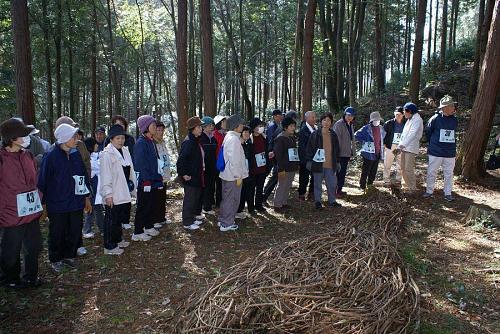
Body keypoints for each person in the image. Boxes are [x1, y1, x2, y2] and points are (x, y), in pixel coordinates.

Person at [38, 123, 92, 272]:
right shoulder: (51, 156)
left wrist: (86, 197)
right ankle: (56, 258)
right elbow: (43, 181)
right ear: (64, 138)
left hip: (75, 201)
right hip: (57, 203)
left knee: (75, 230)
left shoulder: (75, 154)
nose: (77, 139)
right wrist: (43, 205)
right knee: (57, 232)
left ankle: (69, 255)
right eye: (73, 137)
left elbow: (83, 176)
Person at [0, 118, 43, 288]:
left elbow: (35, 180)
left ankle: (31, 277)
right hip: (11, 214)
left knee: (34, 247)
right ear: (12, 138)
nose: (27, 138)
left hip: (31, 211)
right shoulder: (2, 160)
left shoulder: (28, 155)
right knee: (11, 249)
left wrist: (39, 196)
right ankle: (10, 279)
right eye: (23, 135)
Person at [55, 116, 91, 256]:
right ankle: (63, 249)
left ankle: (77, 243)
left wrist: (86, 180)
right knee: (64, 223)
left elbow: (86, 162)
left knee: (77, 220)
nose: (75, 135)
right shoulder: (55, 150)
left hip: (79, 188)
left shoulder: (80, 145)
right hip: (63, 195)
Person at [99, 124, 137, 255]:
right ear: (111, 139)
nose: (121, 141)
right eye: (118, 138)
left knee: (119, 217)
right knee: (111, 219)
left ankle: (118, 239)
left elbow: (130, 169)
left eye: (122, 138)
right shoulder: (106, 154)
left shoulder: (125, 151)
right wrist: (108, 194)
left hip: (124, 189)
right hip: (113, 192)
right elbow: (105, 176)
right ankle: (109, 246)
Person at [423, 95, 458, 201]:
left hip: (450, 152)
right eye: (451, 106)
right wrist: (434, 143)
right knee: (432, 172)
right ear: (445, 108)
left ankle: (448, 193)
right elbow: (428, 132)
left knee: (449, 174)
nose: (453, 108)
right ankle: (429, 191)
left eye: (453, 106)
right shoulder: (434, 119)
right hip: (436, 151)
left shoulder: (454, 120)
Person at [132, 115, 162, 241]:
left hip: (153, 180)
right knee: (143, 205)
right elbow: (140, 164)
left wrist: (157, 178)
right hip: (145, 181)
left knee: (151, 204)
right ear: (146, 127)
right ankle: (138, 231)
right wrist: (146, 180)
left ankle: (148, 226)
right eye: (153, 125)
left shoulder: (150, 141)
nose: (155, 127)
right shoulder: (141, 143)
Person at [217, 114, 248, 231]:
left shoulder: (230, 136)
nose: (242, 126)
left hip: (228, 174)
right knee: (232, 199)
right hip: (233, 176)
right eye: (241, 124)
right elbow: (235, 160)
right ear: (235, 126)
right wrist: (238, 176)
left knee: (227, 198)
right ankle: (227, 223)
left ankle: (223, 220)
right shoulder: (233, 139)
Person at [305, 113, 341, 209]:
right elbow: (309, 149)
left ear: (331, 123)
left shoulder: (333, 135)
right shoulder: (315, 134)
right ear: (321, 122)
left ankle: (332, 201)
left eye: (328, 120)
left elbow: (337, 150)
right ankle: (318, 201)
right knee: (317, 184)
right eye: (324, 120)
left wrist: (337, 162)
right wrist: (309, 161)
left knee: (332, 184)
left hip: (330, 164)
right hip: (318, 164)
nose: (326, 122)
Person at [177, 117, 206, 230]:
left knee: (195, 198)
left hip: (197, 175)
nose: (201, 129)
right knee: (190, 199)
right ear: (192, 129)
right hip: (190, 176)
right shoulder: (189, 142)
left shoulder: (195, 140)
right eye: (199, 127)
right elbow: (181, 160)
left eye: (201, 127)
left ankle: (192, 218)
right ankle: (187, 221)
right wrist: (183, 174)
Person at [273, 117, 299, 212]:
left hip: (291, 166)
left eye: (294, 126)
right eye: (291, 126)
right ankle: (277, 205)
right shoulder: (280, 138)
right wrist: (281, 168)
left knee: (287, 185)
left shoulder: (291, 137)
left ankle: (284, 202)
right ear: (285, 127)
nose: (293, 128)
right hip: (283, 167)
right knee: (282, 185)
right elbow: (278, 156)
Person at [355, 112, 385, 193]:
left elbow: (382, 138)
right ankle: (362, 186)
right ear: (371, 121)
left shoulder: (381, 128)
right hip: (368, 153)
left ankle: (370, 184)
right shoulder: (366, 128)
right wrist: (364, 141)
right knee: (366, 170)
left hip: (377, 152)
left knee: (374, 170)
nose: (376, 121)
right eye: (375, 120)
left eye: (378, 120)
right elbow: (356, 135)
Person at [397, 102, 424, 194]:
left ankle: (412, 188)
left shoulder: (417, 120)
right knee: (403, 168)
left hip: (411, 148)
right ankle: (405, 186)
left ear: (410, 111)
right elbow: (404, 134)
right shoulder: (409, 119)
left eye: (405, 111)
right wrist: (400, 145)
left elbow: (412, 134)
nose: (404, 113)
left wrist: (402, 145)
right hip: (404, 147)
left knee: (408, 168)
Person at [82, 137, 105, 237]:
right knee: (91, 208)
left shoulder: (96, 156)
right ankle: (87, 230)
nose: (97, 146)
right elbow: (95, 168)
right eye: (95, 144)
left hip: (97, 187)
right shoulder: (88, 158)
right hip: (91, 187)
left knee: (98, 208)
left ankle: (102, 228)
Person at [333, 107, 356, 197]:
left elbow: (351, 139)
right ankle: (335, 191)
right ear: (345, 114)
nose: (350, 117)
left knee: (342, 173)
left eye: (352, 116)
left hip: (346, 153)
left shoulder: (350, 124)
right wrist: (337, 154)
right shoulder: (339, 124)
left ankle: (339, 189)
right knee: (338, 173)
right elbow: (336, 140)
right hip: (339, 154)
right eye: (348, 115)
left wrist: (351, 152)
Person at [153, 121, 172, 227]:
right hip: (157, 174)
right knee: (156, 197)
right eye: (158, 130)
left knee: (163, 196)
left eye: (162, 130)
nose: (160, 132)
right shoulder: (152, 143)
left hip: (165, 173)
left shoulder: (163, 142)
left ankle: (161, 217)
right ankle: (155, 219)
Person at [262, 109, 283, 204]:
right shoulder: (272, 126)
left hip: (276, 154)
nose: (281, 117)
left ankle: (263, 194)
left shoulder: (279, 125)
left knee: (273, 176)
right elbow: (270, 140)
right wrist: (271, 152)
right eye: (279, 116)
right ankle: (263, 195)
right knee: (271, 175)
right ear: (274, 116)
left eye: (281, 115)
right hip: (272, 154)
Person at [248, 117, 268, 212]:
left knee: (260, 187)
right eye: (259, 126)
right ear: (253, 127)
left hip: (262, 167)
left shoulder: (264, 137)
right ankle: (250, 207)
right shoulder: (249, 138)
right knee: (251, 188)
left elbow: (266, 151)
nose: (261, 127)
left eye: (261, 126)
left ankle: (258, 205)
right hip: (253, 168)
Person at [383, 107, 405, 187]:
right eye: (396, 114)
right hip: (391, 145)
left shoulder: (405, 124)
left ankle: (398, 180)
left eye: (399, 114)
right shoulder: (388, 123)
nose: (398, 116)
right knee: (387, 163)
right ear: (394, 114)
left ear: (403, 115)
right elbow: (383, 134)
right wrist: (384, 144)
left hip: (400, 146)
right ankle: (386, 180)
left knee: (400, 163)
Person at [199, 116, 218, 215]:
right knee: (205, 187)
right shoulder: (201, 138)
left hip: (212, 167)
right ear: (204, 126)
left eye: (212, 125)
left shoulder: (214, 139)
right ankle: (206, 207)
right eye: (209, 125)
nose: (212, 127)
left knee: (211, 187)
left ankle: (208, 205)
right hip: (203, 168)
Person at [298, 111, 317, 201]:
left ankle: (311, 193)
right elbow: (302, 147)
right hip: (306, 158)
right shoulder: (303, 130)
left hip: (316, 158)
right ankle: (301, 193)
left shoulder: (317, 128)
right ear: (306, 118)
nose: (314, 119)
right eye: (312, 117)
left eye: (315, 117)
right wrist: (308, 158)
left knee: (315, 176)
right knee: (304, 177)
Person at [236, 126, 254, 218]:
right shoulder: (238, 145)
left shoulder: (248, 144)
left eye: (248, 132)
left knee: (246, 190)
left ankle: (243, 209)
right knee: (240, 191)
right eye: (245, 132)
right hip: (239, 173)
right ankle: (238, 210)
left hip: (247, 172)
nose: (247, 134)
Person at [213, 115, 227, 207]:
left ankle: (220, 200)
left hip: (224, 163)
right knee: (217, 183)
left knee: (221, 183)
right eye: (224, 122)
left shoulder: (225, 134)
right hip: (216, 163)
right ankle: (216, 202)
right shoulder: (215, 134)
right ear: (220, 123)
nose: (226, 123)